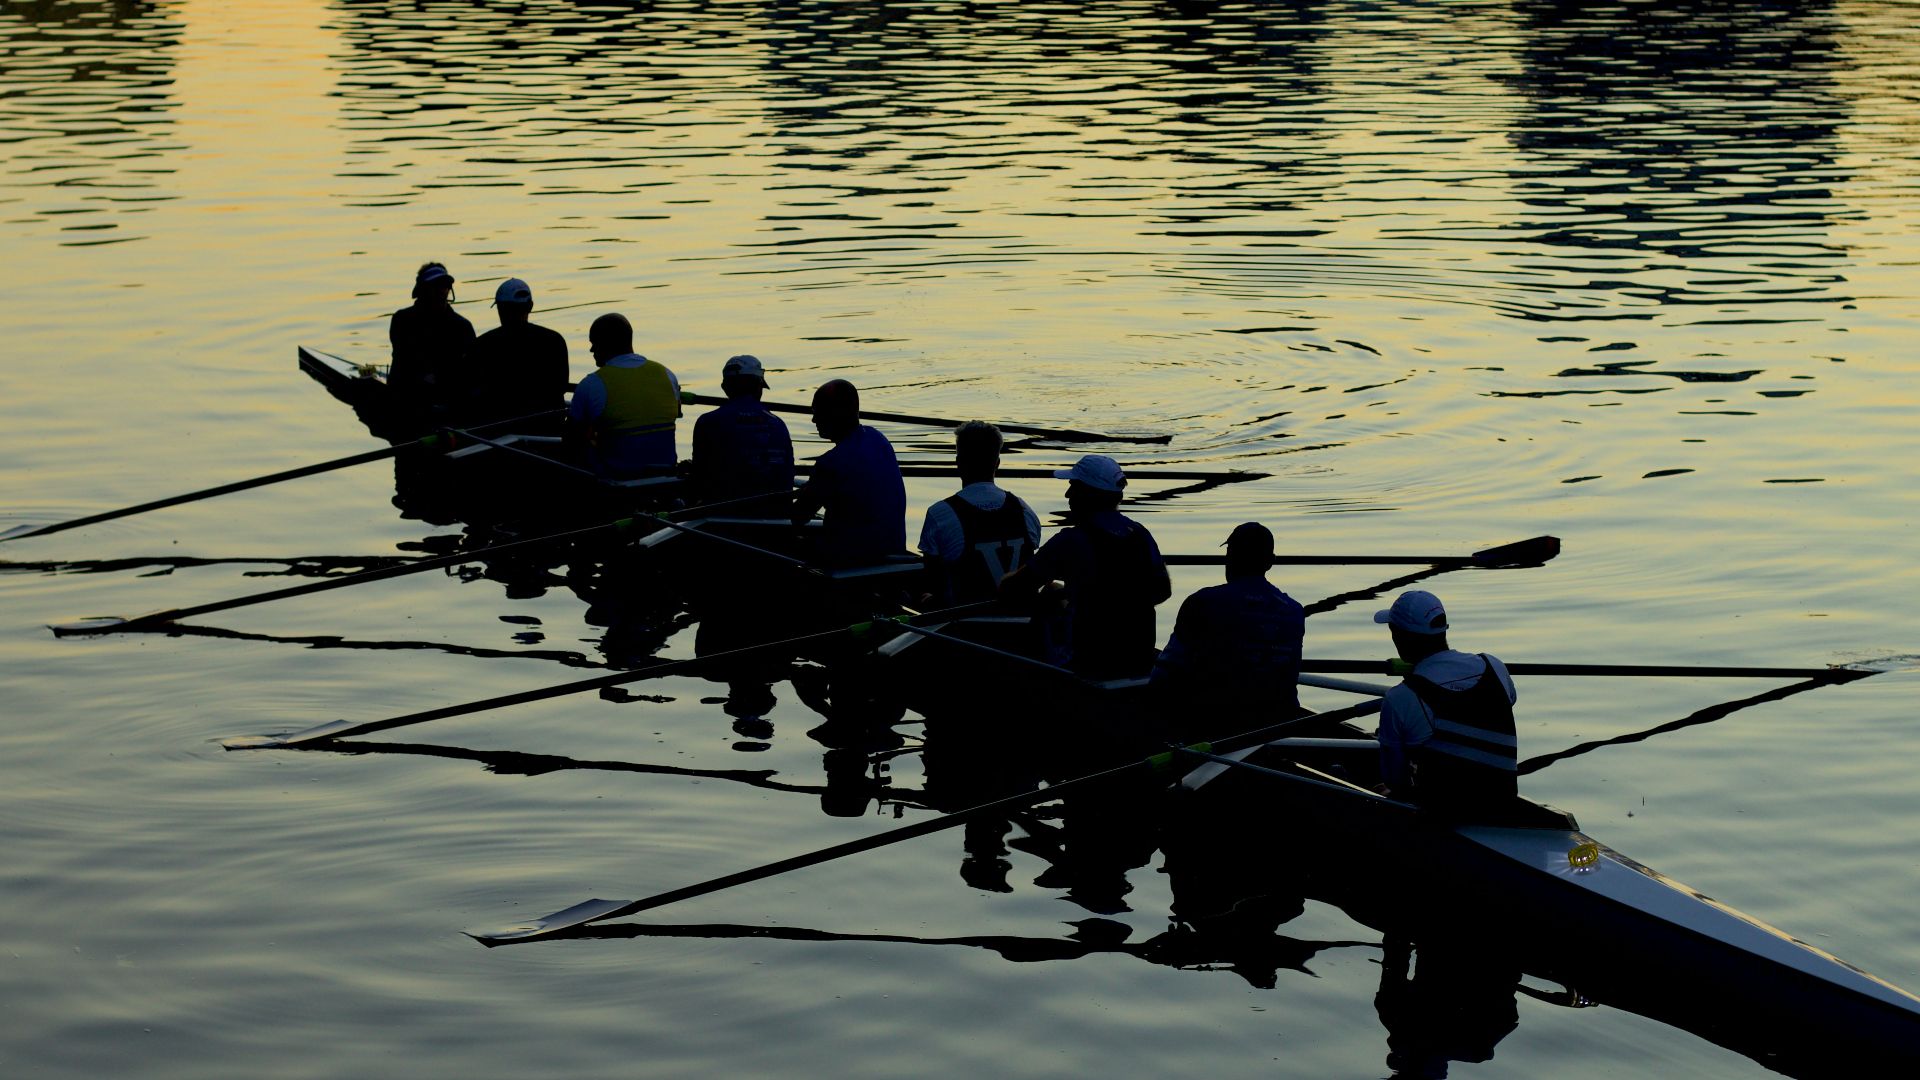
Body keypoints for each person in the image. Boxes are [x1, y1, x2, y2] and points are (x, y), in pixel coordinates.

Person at [999, 454, 1171, 680]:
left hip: (1088, 663)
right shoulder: (1140, 534)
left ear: (1087, 495)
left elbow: (1013, 589)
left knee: (1047, 599)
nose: (1067, 494)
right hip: (1138, 658)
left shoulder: (1070, 540)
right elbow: (1162, 591)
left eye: (1073, 487)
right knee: (1055, 592)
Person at [1372, 590, 1518, 816]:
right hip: (1504, 806)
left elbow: (1394, 779)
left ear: (1397, 635)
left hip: (1446, 817)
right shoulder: (1495, 666)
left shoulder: (1401, 698)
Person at [1151, 522, 1305, 724]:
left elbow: (1163, 676)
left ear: (1229, 558)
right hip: (1277, 720)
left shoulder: (1202, 602)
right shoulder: (1294, 610)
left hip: (1215, 722)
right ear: (1270, 562)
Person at [918, 420, 1041, 605]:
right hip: (1022, 622)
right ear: (997, 463)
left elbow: (933, 582)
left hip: (964, 626)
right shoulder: (1026, 511)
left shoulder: (940, 514)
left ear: (958, 462)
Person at [788, 379, 906, 567]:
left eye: (817, 411)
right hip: (894, 548)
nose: (813, 420)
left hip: (854, 559)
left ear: (834, 413)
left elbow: (798, 517)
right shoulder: (879, 439)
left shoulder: (830, 463)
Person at [567, 313, 681, 479]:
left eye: (594, 343)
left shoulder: (592, 384)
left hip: (619, 481)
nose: (591, 350)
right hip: (666, 476)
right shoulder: (667, 374)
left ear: (606, 343)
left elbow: (571, 440)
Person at [690, 354, 794, 515]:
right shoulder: (778, 423)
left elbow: (699, 478)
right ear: (758, 387)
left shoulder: (707, 422)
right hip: (775, 516)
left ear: (724, 387)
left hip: (724, 518)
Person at [464, 277, 568, 430]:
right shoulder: (554, 340)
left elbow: (470, 389)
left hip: (497, 429)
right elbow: (561, 386)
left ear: (499, 308)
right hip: (547, 427)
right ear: (530, 306)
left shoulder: (481, 345)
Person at [388, 261, 475, 419]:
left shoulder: (462, 326)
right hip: (410, 399)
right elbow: (405, 362)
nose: (442, 291)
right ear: (422, 291)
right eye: (435, 286)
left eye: (445, 285)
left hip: (450, 402)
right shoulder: (402, 320)